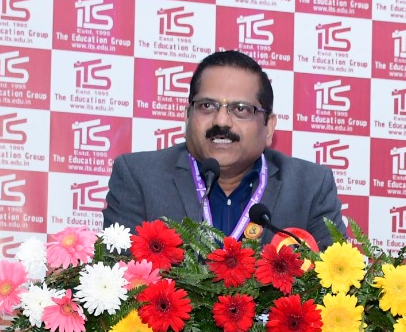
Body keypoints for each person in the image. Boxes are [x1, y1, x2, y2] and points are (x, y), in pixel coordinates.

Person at [102, 50, 342, 245]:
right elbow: (121, 275)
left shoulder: (310, 187)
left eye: (241, 109)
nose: (221, 121)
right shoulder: (139, 177)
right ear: (188, 116)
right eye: (207, 106)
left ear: (268, 127)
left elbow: (335, 279)